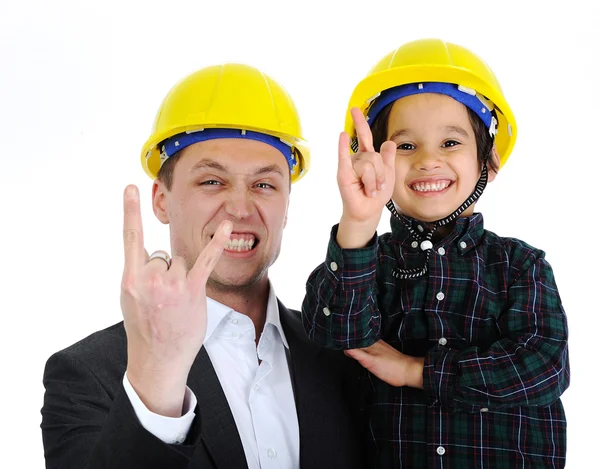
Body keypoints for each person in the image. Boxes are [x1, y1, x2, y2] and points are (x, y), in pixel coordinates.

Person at [41, 63, 362, 469]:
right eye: (212, 181)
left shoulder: (342, 358)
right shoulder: (87, 375)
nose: (241, 209)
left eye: (264, 184)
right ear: (161, 199)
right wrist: (158, 377)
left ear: (286, 207)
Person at [301, 38, 569, 468]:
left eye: (450, 143)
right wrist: (358, 221)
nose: (428, 160)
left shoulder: (521, 267)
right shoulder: (366, 260)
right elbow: (333, 333)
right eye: (405, 146)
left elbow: (543, 367)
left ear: (489, 162)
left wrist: (415, 370)